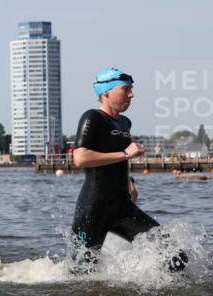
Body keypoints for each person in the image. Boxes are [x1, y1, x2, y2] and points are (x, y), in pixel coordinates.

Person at [71, 68, 187, 272]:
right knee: (81, 273)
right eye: (126, 89)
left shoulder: (124, 122)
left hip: (122, 206)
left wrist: (128, 182)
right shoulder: (92, 117)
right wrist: (126, 154)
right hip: (93, 209)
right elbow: (80, 158)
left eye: (131, 89)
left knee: (175, 256)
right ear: (106, 92)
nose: (131, 94)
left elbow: (115, 155)